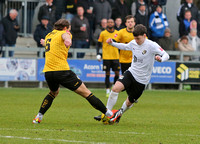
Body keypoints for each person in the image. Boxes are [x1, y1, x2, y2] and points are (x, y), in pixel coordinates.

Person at [32, 19, 113, 124]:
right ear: (66, 28)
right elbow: (65, 37)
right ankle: (109, 115)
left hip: (48, 72)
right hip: (62, 71)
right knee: (87, 93)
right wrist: (68, 40)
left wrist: (44, 43)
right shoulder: (65, 33)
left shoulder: (49, 35)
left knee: (53, 92)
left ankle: (39, 117)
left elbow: (52, 45)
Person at [94, 24, 169, 124]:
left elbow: (166, 55)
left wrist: (161, 59)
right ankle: (106, 113)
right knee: (115, 88)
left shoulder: (152, 45)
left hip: (142, 80)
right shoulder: (134, 43)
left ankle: (119, 113)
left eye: (138, 38)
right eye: (135, 38)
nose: (136, 41)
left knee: (130, 102)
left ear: (144, 35)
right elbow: (125, 47)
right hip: (131, 72)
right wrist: (113, 43)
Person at [96, 19, 120, 97]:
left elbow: (120, 44)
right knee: (107, 74)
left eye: (111, 22)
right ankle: (107, 90)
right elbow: (98, 44)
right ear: (106, 24)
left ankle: (114, 86)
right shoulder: (103, 33)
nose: (110, 23)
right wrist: (98, 54)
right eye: (108, 22)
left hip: (115, 56)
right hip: (106, 57)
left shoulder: (117, 33)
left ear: (114, 23)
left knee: (117, 73)